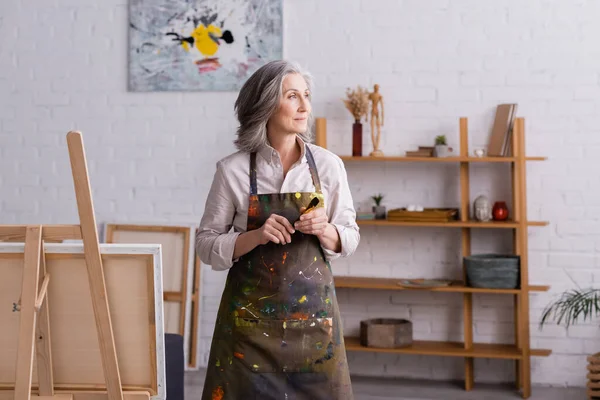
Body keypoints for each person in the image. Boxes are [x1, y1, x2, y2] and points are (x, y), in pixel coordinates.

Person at [196, 59, 359, 400]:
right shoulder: (232, 170)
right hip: (248, 330)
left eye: (306, 95)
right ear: (267, 104)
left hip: (314, 325)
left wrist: (324, 229)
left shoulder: (328, 166)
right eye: (292, 96)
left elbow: (350, 236)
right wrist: (255, 235)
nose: (304, 106)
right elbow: (205, 245)